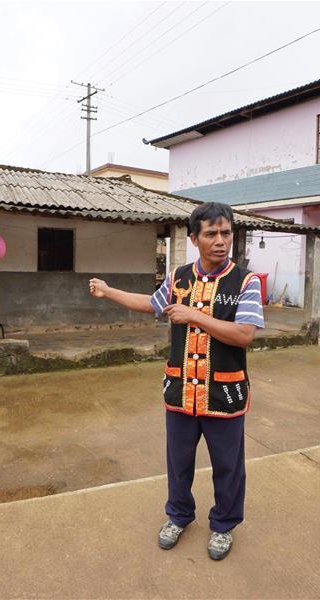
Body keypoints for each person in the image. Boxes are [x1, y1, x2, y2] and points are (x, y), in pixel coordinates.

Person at [88, 202, 264, 561]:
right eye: (211, 234)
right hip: (181, 391)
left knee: (228, 466)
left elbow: (245, 334)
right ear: (194, 238)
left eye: (226, 233)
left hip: (223, 393)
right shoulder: (178, 277)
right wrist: (109, 291)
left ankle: (224, 524)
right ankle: (179, 515)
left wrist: (194, 316)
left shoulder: (245, 282)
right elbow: (149, 304)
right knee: (178, 461)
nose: (220, 241)